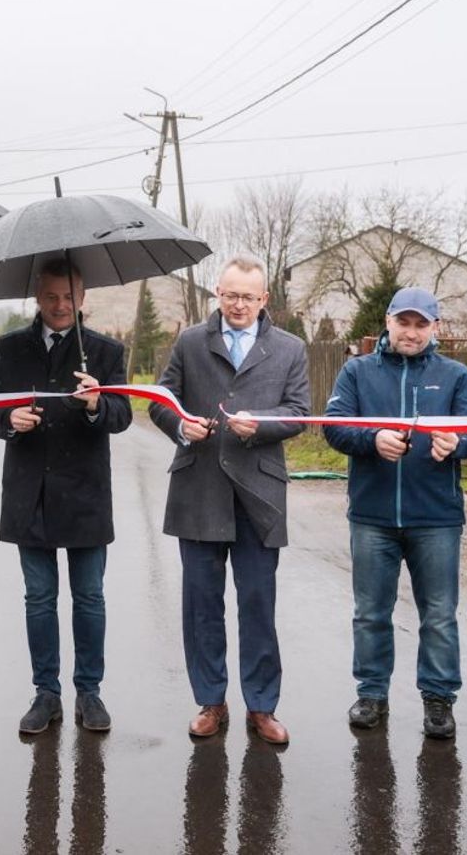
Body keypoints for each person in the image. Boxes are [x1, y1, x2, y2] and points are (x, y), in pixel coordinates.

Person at [148, 255, 309, 744]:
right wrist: (181, 425)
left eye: (248, 297)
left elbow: (298, 412)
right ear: (217, 293)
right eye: (231, 295)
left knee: (258, 603)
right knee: (201, 604)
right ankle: (210, 701)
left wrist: (262, 425)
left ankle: (262, 706)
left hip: (259, 492)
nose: (239, 305)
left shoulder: (290, 348)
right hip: (198, 488)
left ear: (264, 299)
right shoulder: (190, 342)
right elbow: (161, 400)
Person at [322, 287, 467, 739]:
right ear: (388, 322)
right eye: (404, 322)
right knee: (370, 612)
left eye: (421, 324)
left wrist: (457, 443)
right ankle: (372, 693)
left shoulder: (455, 375)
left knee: (439, 614)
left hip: (436, 518)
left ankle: (438, 699)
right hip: (372, 515)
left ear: (435, 328)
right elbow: (335, 426)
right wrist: (372, 439)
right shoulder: (357, 371)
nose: (411, 332)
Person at [0, 258, 131, 734]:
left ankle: (90, 691)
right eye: (51, 297)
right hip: (30, 492)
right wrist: (8, 420)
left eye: (68, 297)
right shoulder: (10, 348)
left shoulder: (105, 351)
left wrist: (97, 404)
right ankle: (46, 693)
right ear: (37, 297)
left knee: (90, 597)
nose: (60, 306)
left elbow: (123, 415)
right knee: (39, 598)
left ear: (82, 298)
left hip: (86, 494)